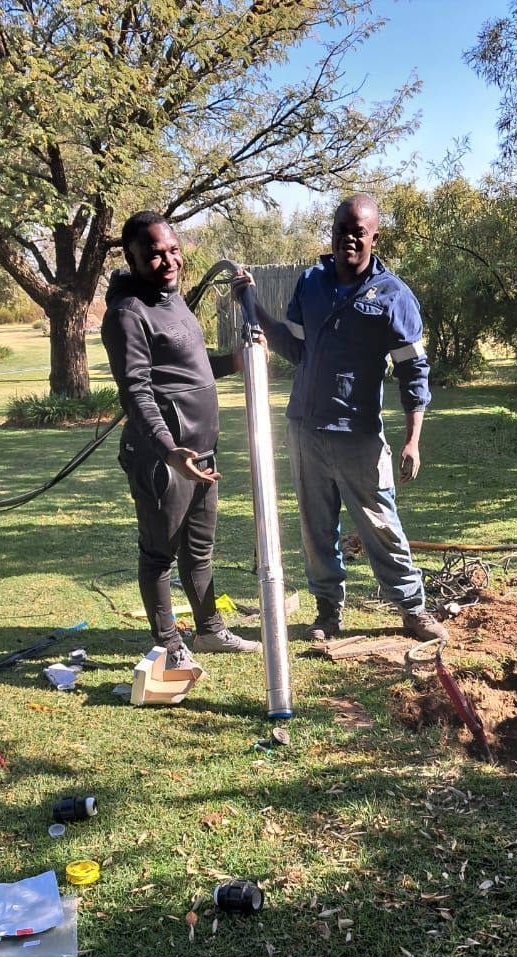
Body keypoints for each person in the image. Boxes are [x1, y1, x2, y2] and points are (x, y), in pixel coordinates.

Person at [233, 194, 449, 644]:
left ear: (374, 236)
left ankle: (412, 608)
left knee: (380, 525)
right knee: (316, 528)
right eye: (340, 229)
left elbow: (414, 371)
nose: (348, 238)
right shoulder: (311, 283)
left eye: (358, 230)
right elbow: (294, 347)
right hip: (305, 430)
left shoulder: (394, 296)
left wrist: (413, 439)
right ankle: (327, 612)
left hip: (359, 437)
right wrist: (252, 304)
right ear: (331, 232)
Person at [102, 211, 260, 668]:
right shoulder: (127, 314)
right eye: (153, 253)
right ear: (131, 257)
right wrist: (169, 451)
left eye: (172, 250)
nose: (167, 261)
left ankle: (210, 631)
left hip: (201, 451)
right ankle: (169, 643)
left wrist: (237, 360)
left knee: (200, 548)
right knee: (159, 554)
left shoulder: (173, 302)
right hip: (163, 457)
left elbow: (190, 367)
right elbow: (136, 391)